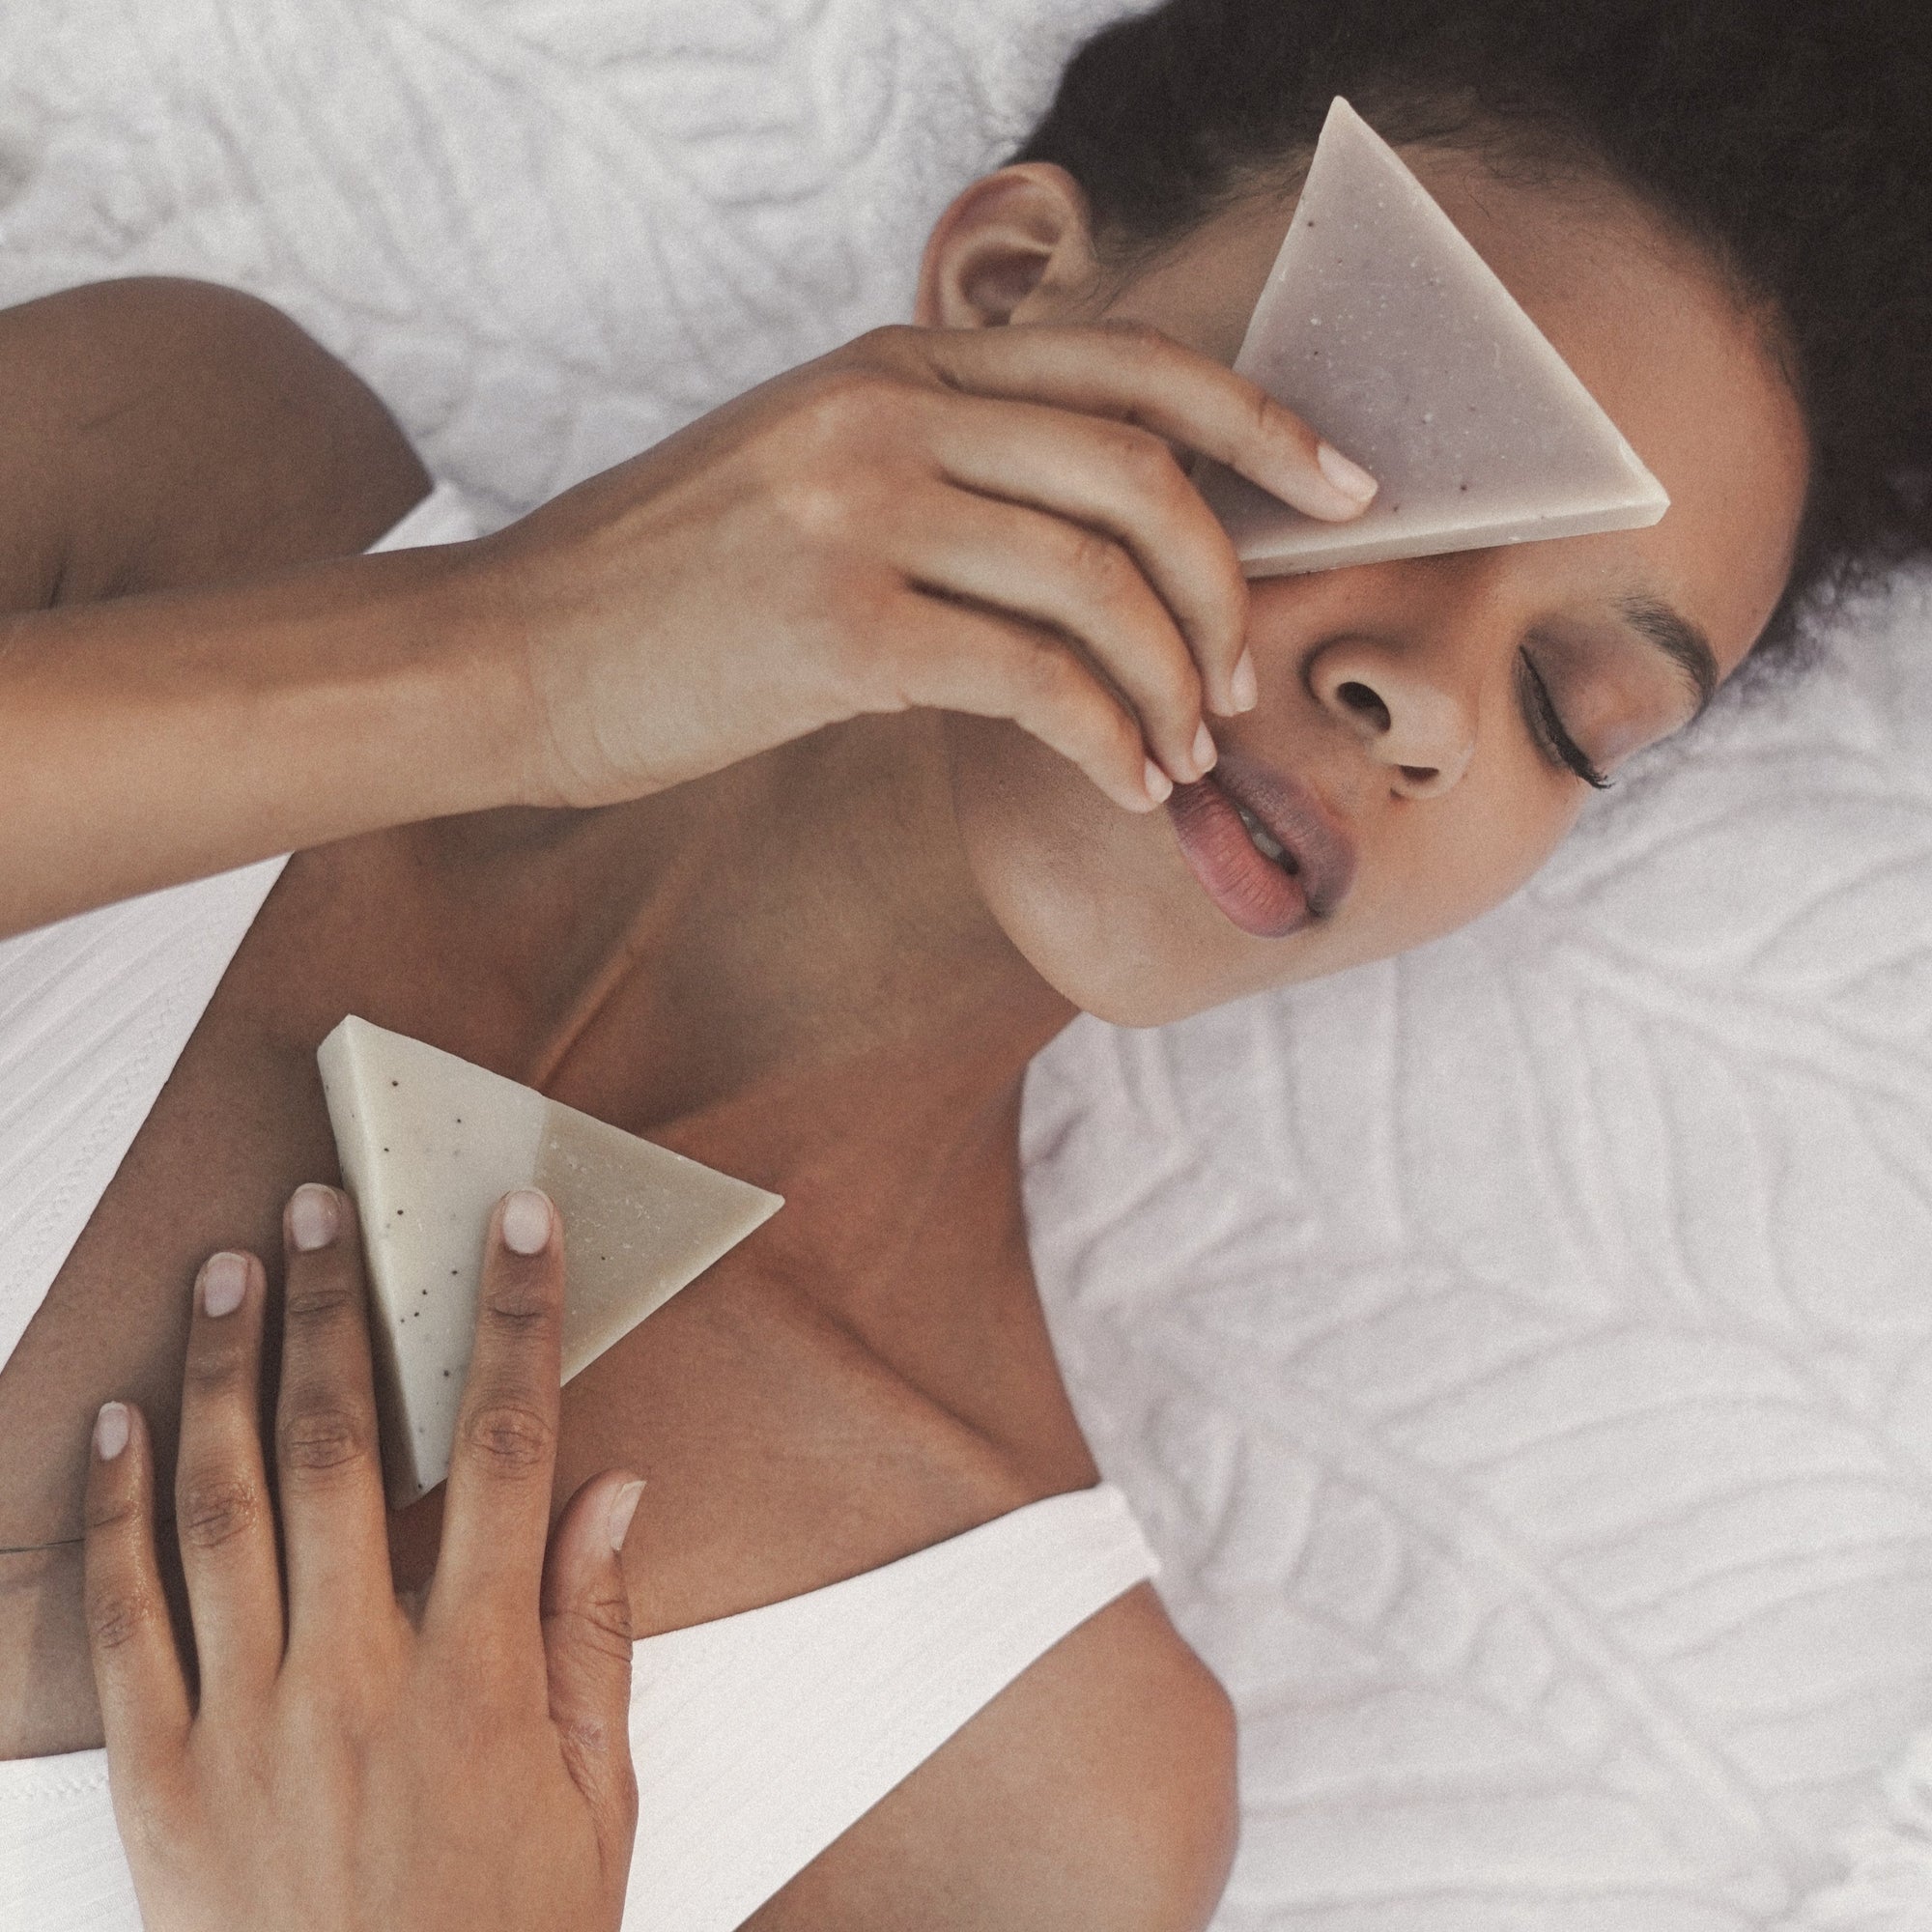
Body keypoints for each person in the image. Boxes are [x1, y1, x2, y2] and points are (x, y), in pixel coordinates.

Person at [1, 0, 1927, 1926]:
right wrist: (508, 658)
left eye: (1568, 709)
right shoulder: (187, 483)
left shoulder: (1032, 1799)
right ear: (1011, 288)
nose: (1418, 696)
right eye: (1384, 450)